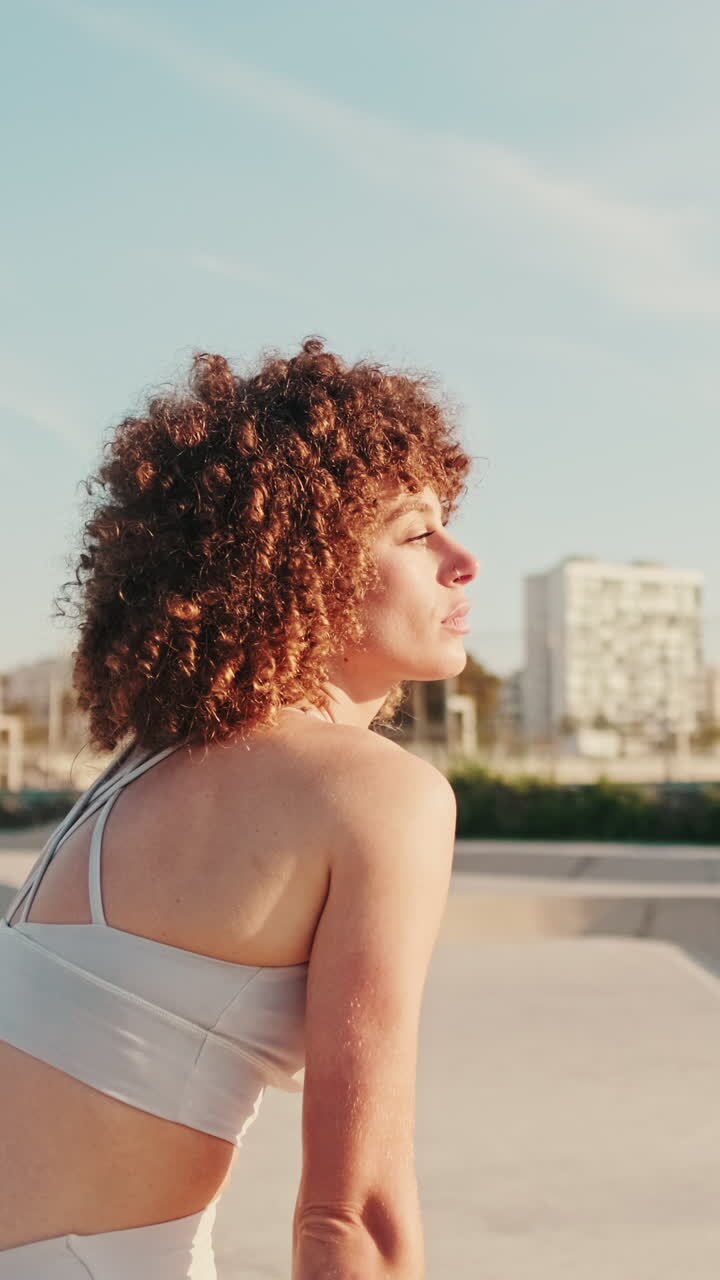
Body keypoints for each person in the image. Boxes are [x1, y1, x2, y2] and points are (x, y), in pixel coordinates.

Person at [0, 337, 479, 1278]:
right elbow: (355, 1219)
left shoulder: (134, 777)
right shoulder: (374, 792)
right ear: (300, 559)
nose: (462, 559)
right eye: (415, 530)